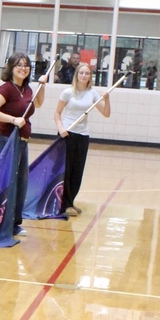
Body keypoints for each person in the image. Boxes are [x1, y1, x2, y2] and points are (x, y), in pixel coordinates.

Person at [0, 52, 47, 237]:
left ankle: (14, 224)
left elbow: (38, 103)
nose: (23, 68)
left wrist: (42, 86)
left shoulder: (26, 89)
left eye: (26, 65)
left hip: (23, 142)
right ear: (11, 68)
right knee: (8, 185)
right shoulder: (6, 89)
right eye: (19, 65)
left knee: (21, 184)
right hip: (7, 142)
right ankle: (2, 222)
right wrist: (13, 119)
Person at [54, 62, 109, 217]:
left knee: (77, 171)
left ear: (90, 76)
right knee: (66, 170)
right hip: (67, 134)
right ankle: (64, 204)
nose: (84, 75)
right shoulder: (67, 92)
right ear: (76, 75)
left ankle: (70, 202)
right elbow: (57, 114)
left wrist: (107, 98)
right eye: (81, 73)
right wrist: (61, 129)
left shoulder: (93, 93)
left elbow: (106, 113)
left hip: (83, 136)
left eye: (87, 73)